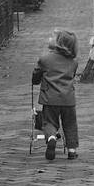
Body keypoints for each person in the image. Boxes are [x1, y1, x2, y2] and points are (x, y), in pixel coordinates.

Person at [31, 29, 79, 161]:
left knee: (49, 122)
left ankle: (51, 137)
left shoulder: (45, 59)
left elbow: (36, 75)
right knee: (70, 123)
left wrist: (35, 80)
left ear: (58, 43)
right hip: (68, 99)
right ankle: (72, 150)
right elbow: (72, 75)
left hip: (50, 98)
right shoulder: (73, 62)